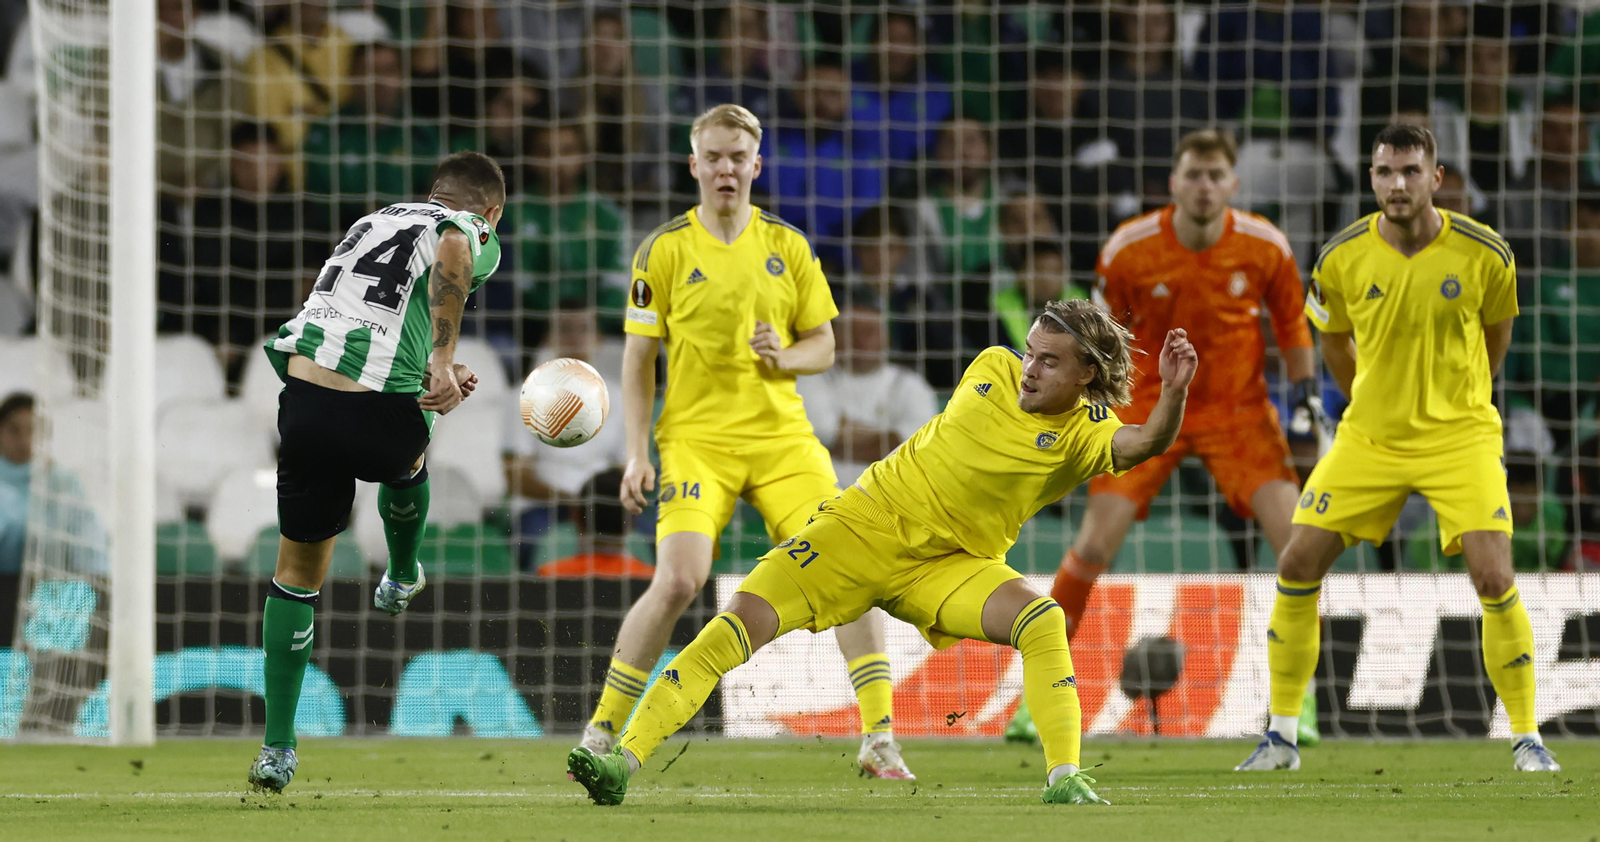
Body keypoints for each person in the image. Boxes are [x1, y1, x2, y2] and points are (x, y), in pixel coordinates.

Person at [566, 299, 1198, 806]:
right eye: (1031, 353)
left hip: (949, 565)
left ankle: (1064, 778)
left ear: (1087, 374)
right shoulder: (991, 369)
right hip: (858, 530)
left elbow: (1145, 442)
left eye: (1050, 362)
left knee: (1044, 619)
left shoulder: (1084, 438)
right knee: (736, 625)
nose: (1029, 369)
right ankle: (620, 761)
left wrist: (1172, 392)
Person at [583, 104, 910, 781]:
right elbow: (638, 360)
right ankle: (602, 730)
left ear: (757, 165)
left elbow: (825, 344)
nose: (726, 168)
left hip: (782, 437)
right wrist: (637, 452)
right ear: (694, 165)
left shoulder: (788, 246)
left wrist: (784, 358)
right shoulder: (663, 249)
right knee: (678, 580)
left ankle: (880, 737)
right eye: (714, 156)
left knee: (847, 568)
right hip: (698, 439)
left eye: (738, 157)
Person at [1236, 124, 1557, 773]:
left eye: (1410, 171)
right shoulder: (1340, 257)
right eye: (1385, 172)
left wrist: (1459, 398)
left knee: (1493, 574)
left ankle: (1527, 738)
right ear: (1372, 177)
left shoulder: (1486, 253)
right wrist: (1368, 402)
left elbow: (1497, 339)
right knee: (1298, 562)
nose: (1397, 184)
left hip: (1458, 434)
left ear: (1436, 178)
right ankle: (1281, 737)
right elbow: (1331, 340)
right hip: (1371, 437)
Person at [1008, 129, 1318, 743]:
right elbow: (1098, 333)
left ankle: (1295, 705)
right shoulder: (1129, 249)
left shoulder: (1266, 246)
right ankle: (1033, 698)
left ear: (1233, 185)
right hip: (1148, 404)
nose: (1204, 187)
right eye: (1193, 175)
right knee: (1095, 544)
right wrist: (1092, 404)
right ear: (1173, 183)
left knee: (1298, 548)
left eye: (1215, 177)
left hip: (1238, 410)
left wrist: (1307, 398)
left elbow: (1291, 324)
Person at [248, 151, 506, 793]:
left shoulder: (371, 222)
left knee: (297, 576)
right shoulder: (466, 228)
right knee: (424, 426)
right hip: (379, 421)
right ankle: (400, 571)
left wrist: (433, 360)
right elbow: (453, 245)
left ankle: (277, 749)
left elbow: (377, 318)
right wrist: (445, 359)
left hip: (304, 403)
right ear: (492, 213)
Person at [797, 295, 939, 487]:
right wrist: (888, 438)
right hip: (822, 493)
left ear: (886, 337)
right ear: (835, 335)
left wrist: (842, 435)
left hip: (892, 494)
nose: (861, 340)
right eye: (852, 331)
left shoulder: (911, 386)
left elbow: (915, 449)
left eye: (869, 331)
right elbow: (824, 433)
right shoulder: (811, 376)